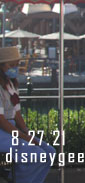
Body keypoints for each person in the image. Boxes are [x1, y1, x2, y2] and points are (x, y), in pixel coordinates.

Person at [0, 46, 55, 183]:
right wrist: (25, 137)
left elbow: (17, 114)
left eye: (16, 64)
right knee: (37, 155)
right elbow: (2, 121)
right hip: (3, 132)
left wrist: (27, 132)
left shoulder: (11, 85)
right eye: (11, 65)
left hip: (11, 130)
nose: (15, 68)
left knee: (50, 153)